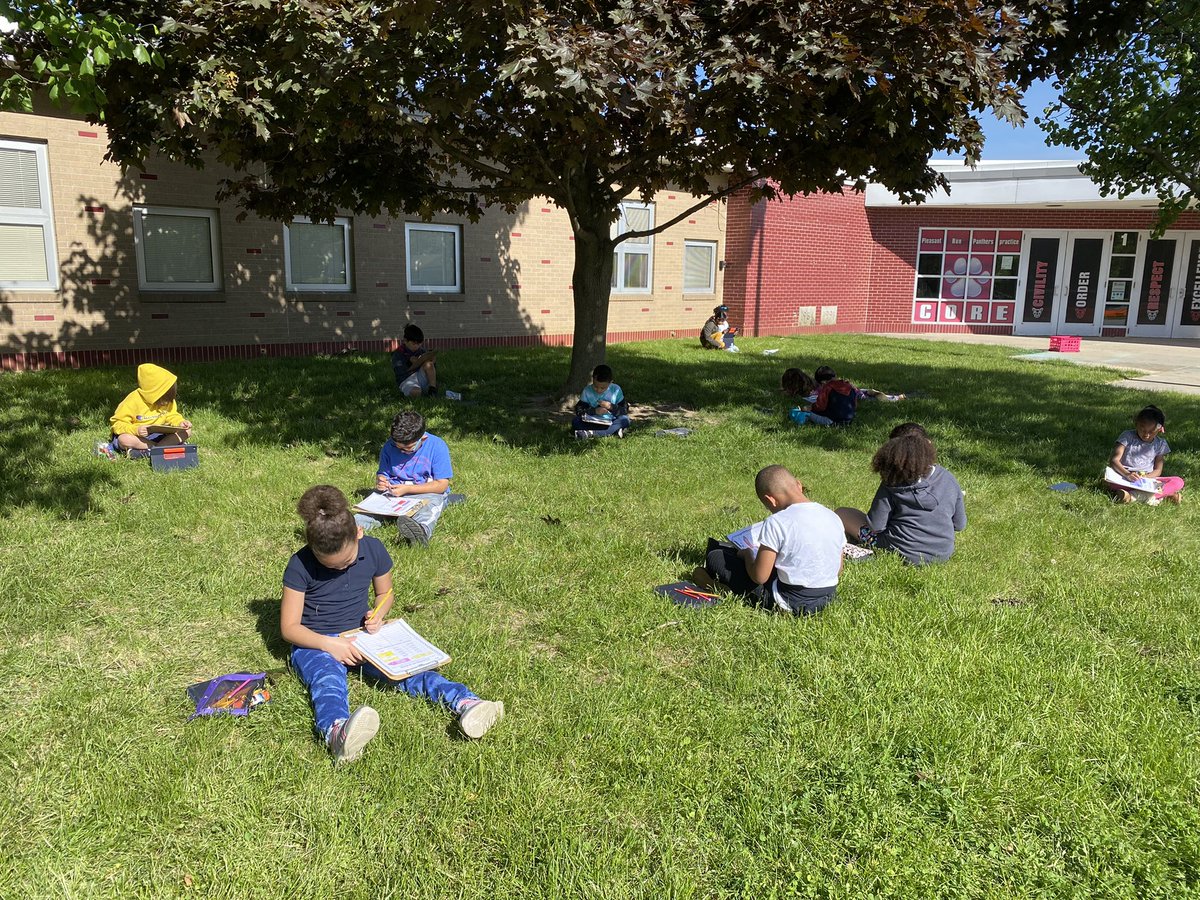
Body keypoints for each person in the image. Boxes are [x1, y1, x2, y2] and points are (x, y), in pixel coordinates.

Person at [283, 485, 503, 764]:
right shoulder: (299, 564)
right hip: (315, 641)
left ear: (359, 532)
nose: (340, 569)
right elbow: (289, 628)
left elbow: (385, 594)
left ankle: (468, 703)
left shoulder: (374, 549)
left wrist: (378, 612)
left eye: (347, 562)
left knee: (411, 671)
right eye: (330, 566)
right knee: (327, 682)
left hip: (362, 635)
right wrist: (328, 643)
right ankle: (337, 734)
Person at [693, 465, 845, 615]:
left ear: (770, 500)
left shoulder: (777, 521)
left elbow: (759, 577)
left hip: (788, 602)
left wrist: (747, 555)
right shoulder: (833, 517)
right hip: (827, 598)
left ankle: (715, 586)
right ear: (799, 485)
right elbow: (838, 569)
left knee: (717, 555)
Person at [836, 425, 967, 565]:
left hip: (899, 551)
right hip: (942, 555)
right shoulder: (948, 478)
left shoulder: (892, 482)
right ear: (928, 444)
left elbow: (876, 526)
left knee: (843, 512)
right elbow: (959, 525)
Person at [356, 411, 453, 546]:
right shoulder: (389, 447)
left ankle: (420, 533)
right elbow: (383, 473)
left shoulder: (437, 446)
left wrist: (408, 489)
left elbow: (441, 485)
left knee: (431, 506)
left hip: (425, 493)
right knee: (367, 514)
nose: (402, 451)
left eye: (408, 448)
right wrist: (381, 481)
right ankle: (347, 530)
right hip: (393, 495)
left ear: (422, 439)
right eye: (398, 447)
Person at [97, 363, 193, 460]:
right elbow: (117, 424)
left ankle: (152, 450)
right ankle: (161, 448)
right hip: (137, 437)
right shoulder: (132, 401)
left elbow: (172, 415)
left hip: (158, 435)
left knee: (187, 432)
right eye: (163, 398)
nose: (166, 402)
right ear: (154, 392)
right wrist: (136, 430)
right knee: (124, 439)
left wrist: (180, 423)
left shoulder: (168, 401)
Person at [1106, 405, 1185, 504]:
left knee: (1178, 481)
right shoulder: (1127, 436)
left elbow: (1158, 470)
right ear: (1136, 424)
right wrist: (1127, 474)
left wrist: (1147, 477)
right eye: (1143, 430)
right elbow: (1114, 460)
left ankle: (1131, 496)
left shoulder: (1160, 443)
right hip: (1125, 477)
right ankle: (1162, 496)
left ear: (1160, 429)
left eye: (1151, 432)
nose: (1146, 435)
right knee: (1111, 483)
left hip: (1147, 480)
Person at [572, 363, 631, 439]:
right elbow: (579, 410)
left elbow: (624, 410)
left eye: (603, 388)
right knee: (576, 421)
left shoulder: (616, 390)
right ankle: (613, 431)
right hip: (593, 421)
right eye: (595, 386)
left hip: (611, 421)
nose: (599, 390)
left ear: (610, 382)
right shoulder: (587, 391)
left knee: (625, 420)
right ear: (592, 379)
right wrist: (594, 411)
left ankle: (591, 433)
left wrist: (611, 406)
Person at [391, 324, 439, 397]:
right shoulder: (398, 354)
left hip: (420, 377)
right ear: (405, 341)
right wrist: (410, 363)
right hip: (406, 380)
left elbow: (430, 368)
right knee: (416, 392)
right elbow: (399, 372)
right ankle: (424, 390)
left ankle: (432, 389)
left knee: (429, 364)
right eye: (414, 344)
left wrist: (432, 361)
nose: (417, 346)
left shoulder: (422, 351)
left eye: (419, 344)